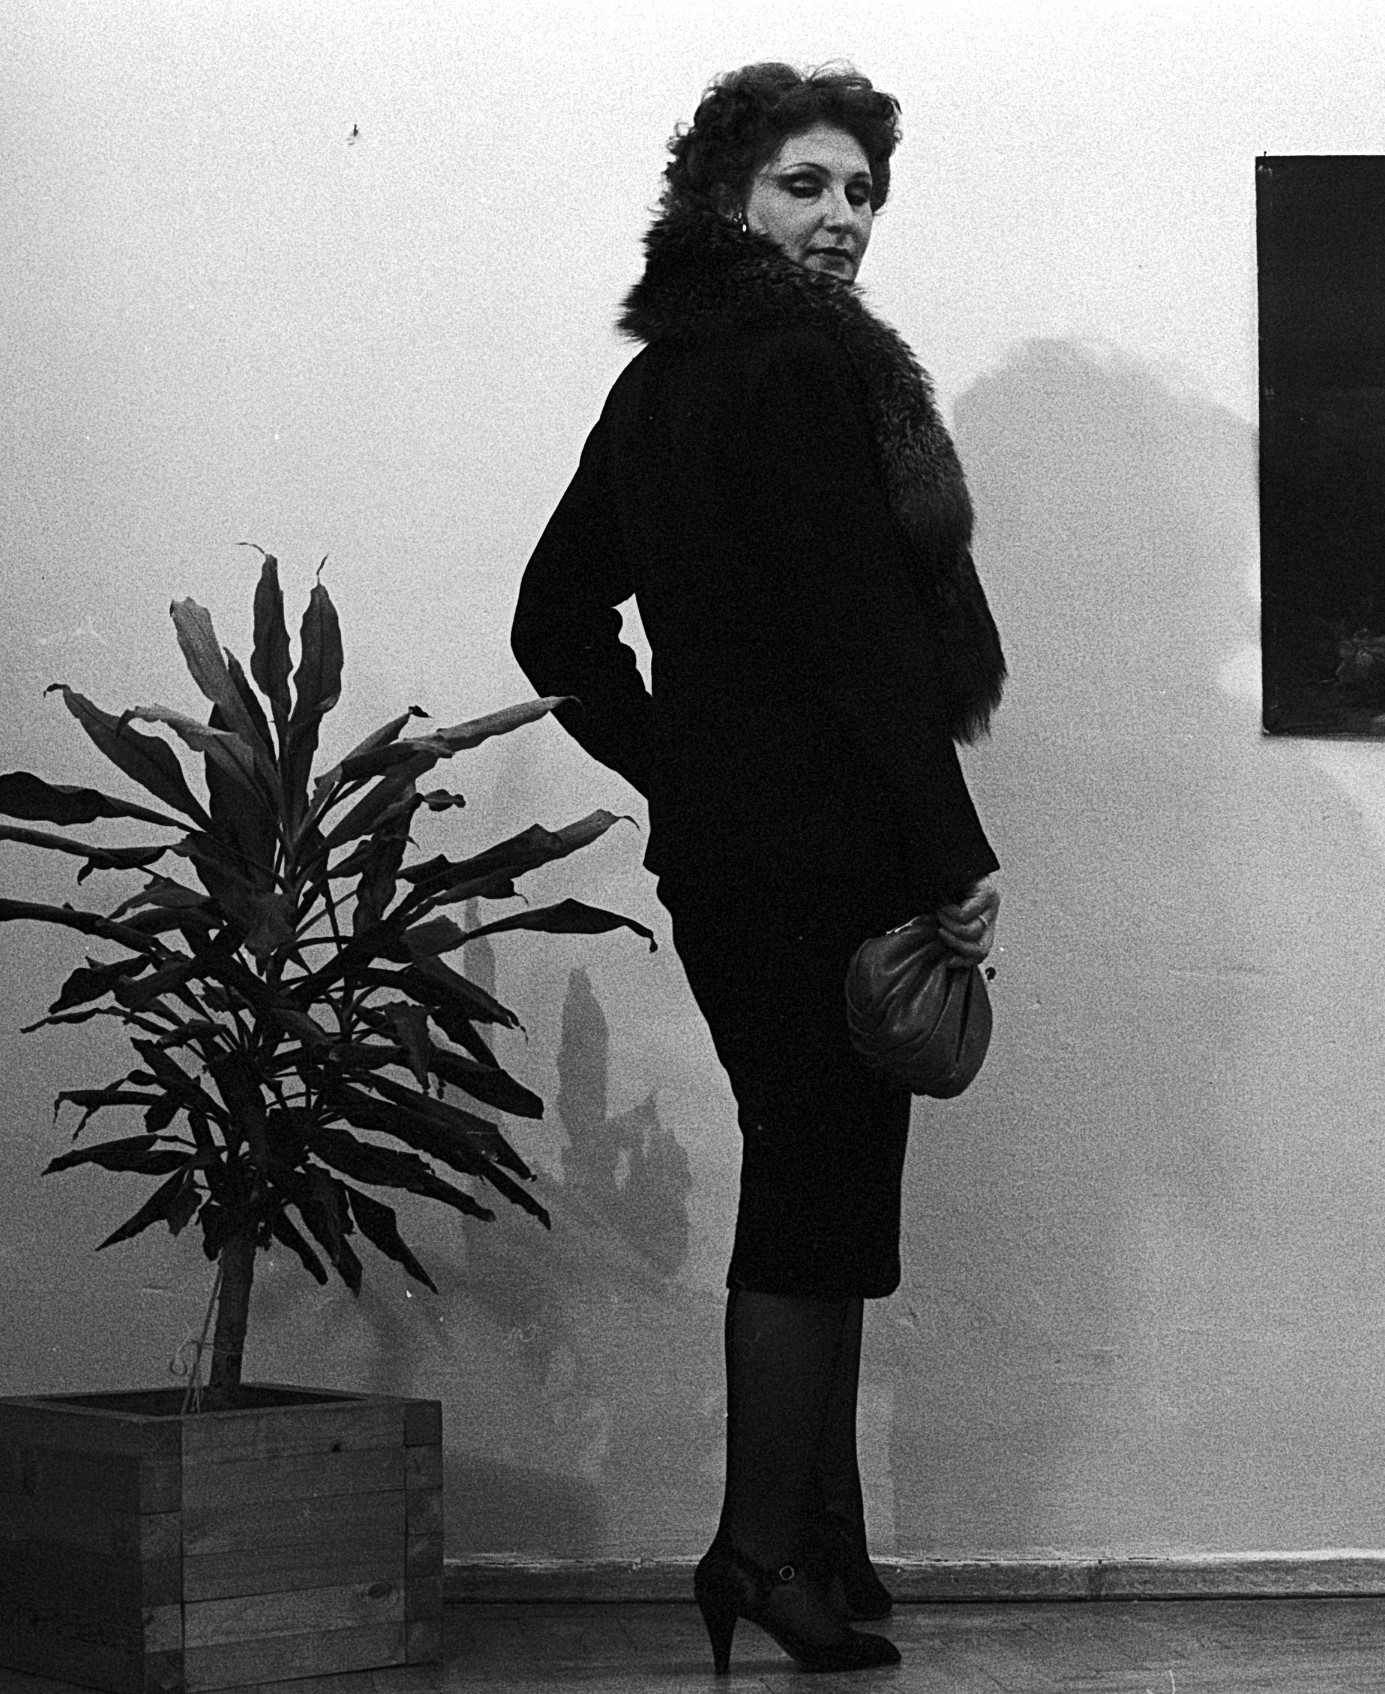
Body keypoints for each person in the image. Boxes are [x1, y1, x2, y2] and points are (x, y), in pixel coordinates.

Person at [510, 61, 1004, 1676]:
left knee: (823, 1179)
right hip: (830, 855)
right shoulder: (801, 366)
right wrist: (952, 849)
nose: (842, 216)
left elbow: (552, 621)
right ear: (726, 194)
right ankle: (756, 1550)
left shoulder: (662, 379)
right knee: (814, 1195)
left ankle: (822, 1536)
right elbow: (866, 640)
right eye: (806, 183)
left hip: (736, 862)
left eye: (860, 190)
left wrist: (689, 770)